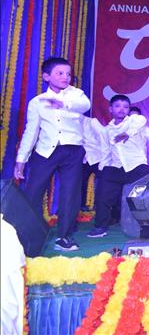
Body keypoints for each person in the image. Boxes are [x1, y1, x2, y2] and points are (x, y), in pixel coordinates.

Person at [14, 57, 90, 252]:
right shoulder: (37, 102)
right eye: (60, 73)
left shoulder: (76, 94)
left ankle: (64, 236)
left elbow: (85, 106)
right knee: (33, 193)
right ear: (46, 76)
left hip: (72, 151)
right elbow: (31, 131)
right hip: (45, 151)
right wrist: (21, 159)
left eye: (68, 74)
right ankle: (29, 235)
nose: (65, 77)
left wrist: (63, 104)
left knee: (70, 194)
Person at [86, 95, 149, 238]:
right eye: (117, 106)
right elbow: (105, 151)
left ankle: (147, 226)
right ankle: (100, 227)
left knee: (143, 197)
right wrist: (102, 169)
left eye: (125, 107)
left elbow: (142, 119)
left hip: (136, 166)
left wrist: (127, 134)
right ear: (111, 109)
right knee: (103, 195)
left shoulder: (134, 121)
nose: (121, 109)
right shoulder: (106, 130)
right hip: (115, 167)